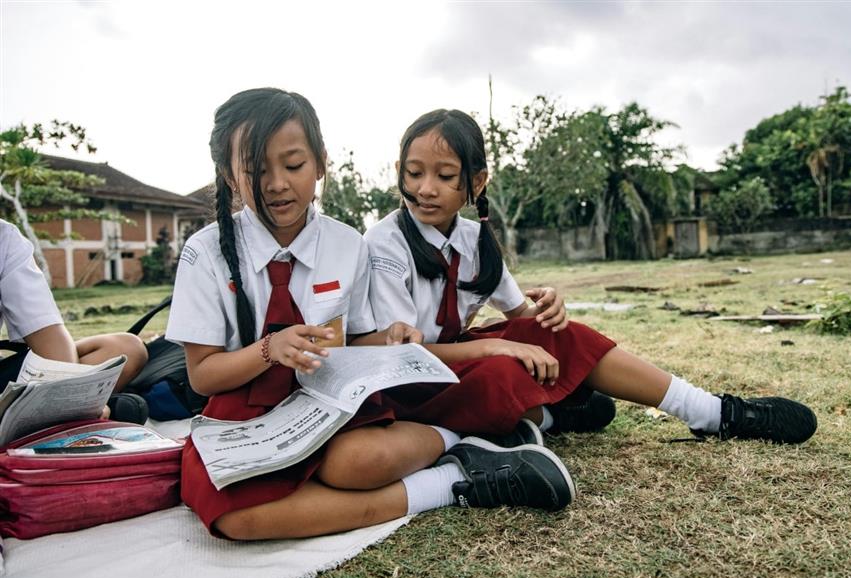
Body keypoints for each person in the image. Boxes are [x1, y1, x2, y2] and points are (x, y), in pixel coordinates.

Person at [166, 88, 577, 541]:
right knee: (234, 518)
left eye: (294, 165)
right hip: (244, 413)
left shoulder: (346, 244)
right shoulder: (203, 253)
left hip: (327, 403)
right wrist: (269, 349)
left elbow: (356, 341)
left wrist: (389, 338)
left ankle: (466, 440)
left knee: (356, 463)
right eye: (255, 170)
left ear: (321, 163)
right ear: (228, 174)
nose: (277, 183)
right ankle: (448, 483)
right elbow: (203, 376)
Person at [363, 108, 818, 445]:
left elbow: (520, 315)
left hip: (455, 361)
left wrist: (547, 311)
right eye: (414, 172)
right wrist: (495, 343)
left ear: (477, 184)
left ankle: (711, 412)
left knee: (560, 336)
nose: (425, 188)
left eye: (445, 176)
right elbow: (403, 356)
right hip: (408, 382)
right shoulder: (385, 242)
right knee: (499, 371)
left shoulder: (472, 238)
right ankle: (552, 418)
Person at [0, 218, 149, 422]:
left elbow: (47, 333)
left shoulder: (5, 237)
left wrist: (72, 401)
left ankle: (59, 418)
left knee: (126, 349)